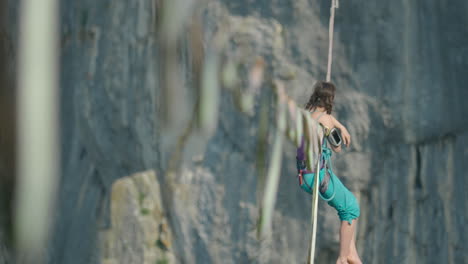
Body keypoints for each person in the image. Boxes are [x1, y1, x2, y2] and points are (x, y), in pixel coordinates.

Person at [297, 81, 362, 264]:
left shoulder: (305, 115)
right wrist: (338, 127)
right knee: (350, 207)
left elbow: (322, 121)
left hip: (305, 175)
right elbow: (337, 147)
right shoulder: (325, 120)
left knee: (346, 206)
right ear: (329, 99)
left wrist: (337, 123)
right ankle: (343, 258)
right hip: (318, 175)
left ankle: (352, 253)